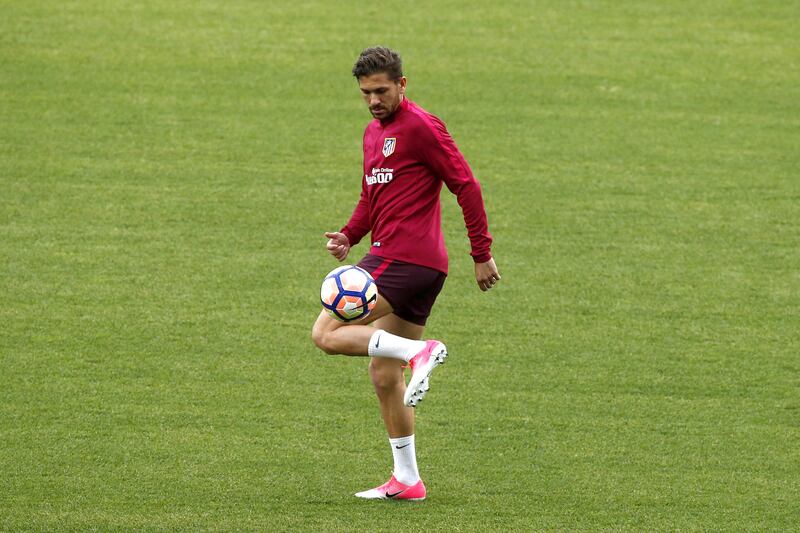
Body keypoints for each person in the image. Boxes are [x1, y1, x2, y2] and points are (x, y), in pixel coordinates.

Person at [311, 46, 500, 501]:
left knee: (326, 333)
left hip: (403, 258)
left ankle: (422, 352)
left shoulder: (420, 126)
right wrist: (351, 235)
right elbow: (370, 194)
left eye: (381, 90)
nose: (374, 100)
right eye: (365, 93)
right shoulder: (372, 134)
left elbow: (466, 184)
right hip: (409, 263)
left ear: (402, 84)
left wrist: (481, 252)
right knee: (383, 372)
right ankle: (408, 479)